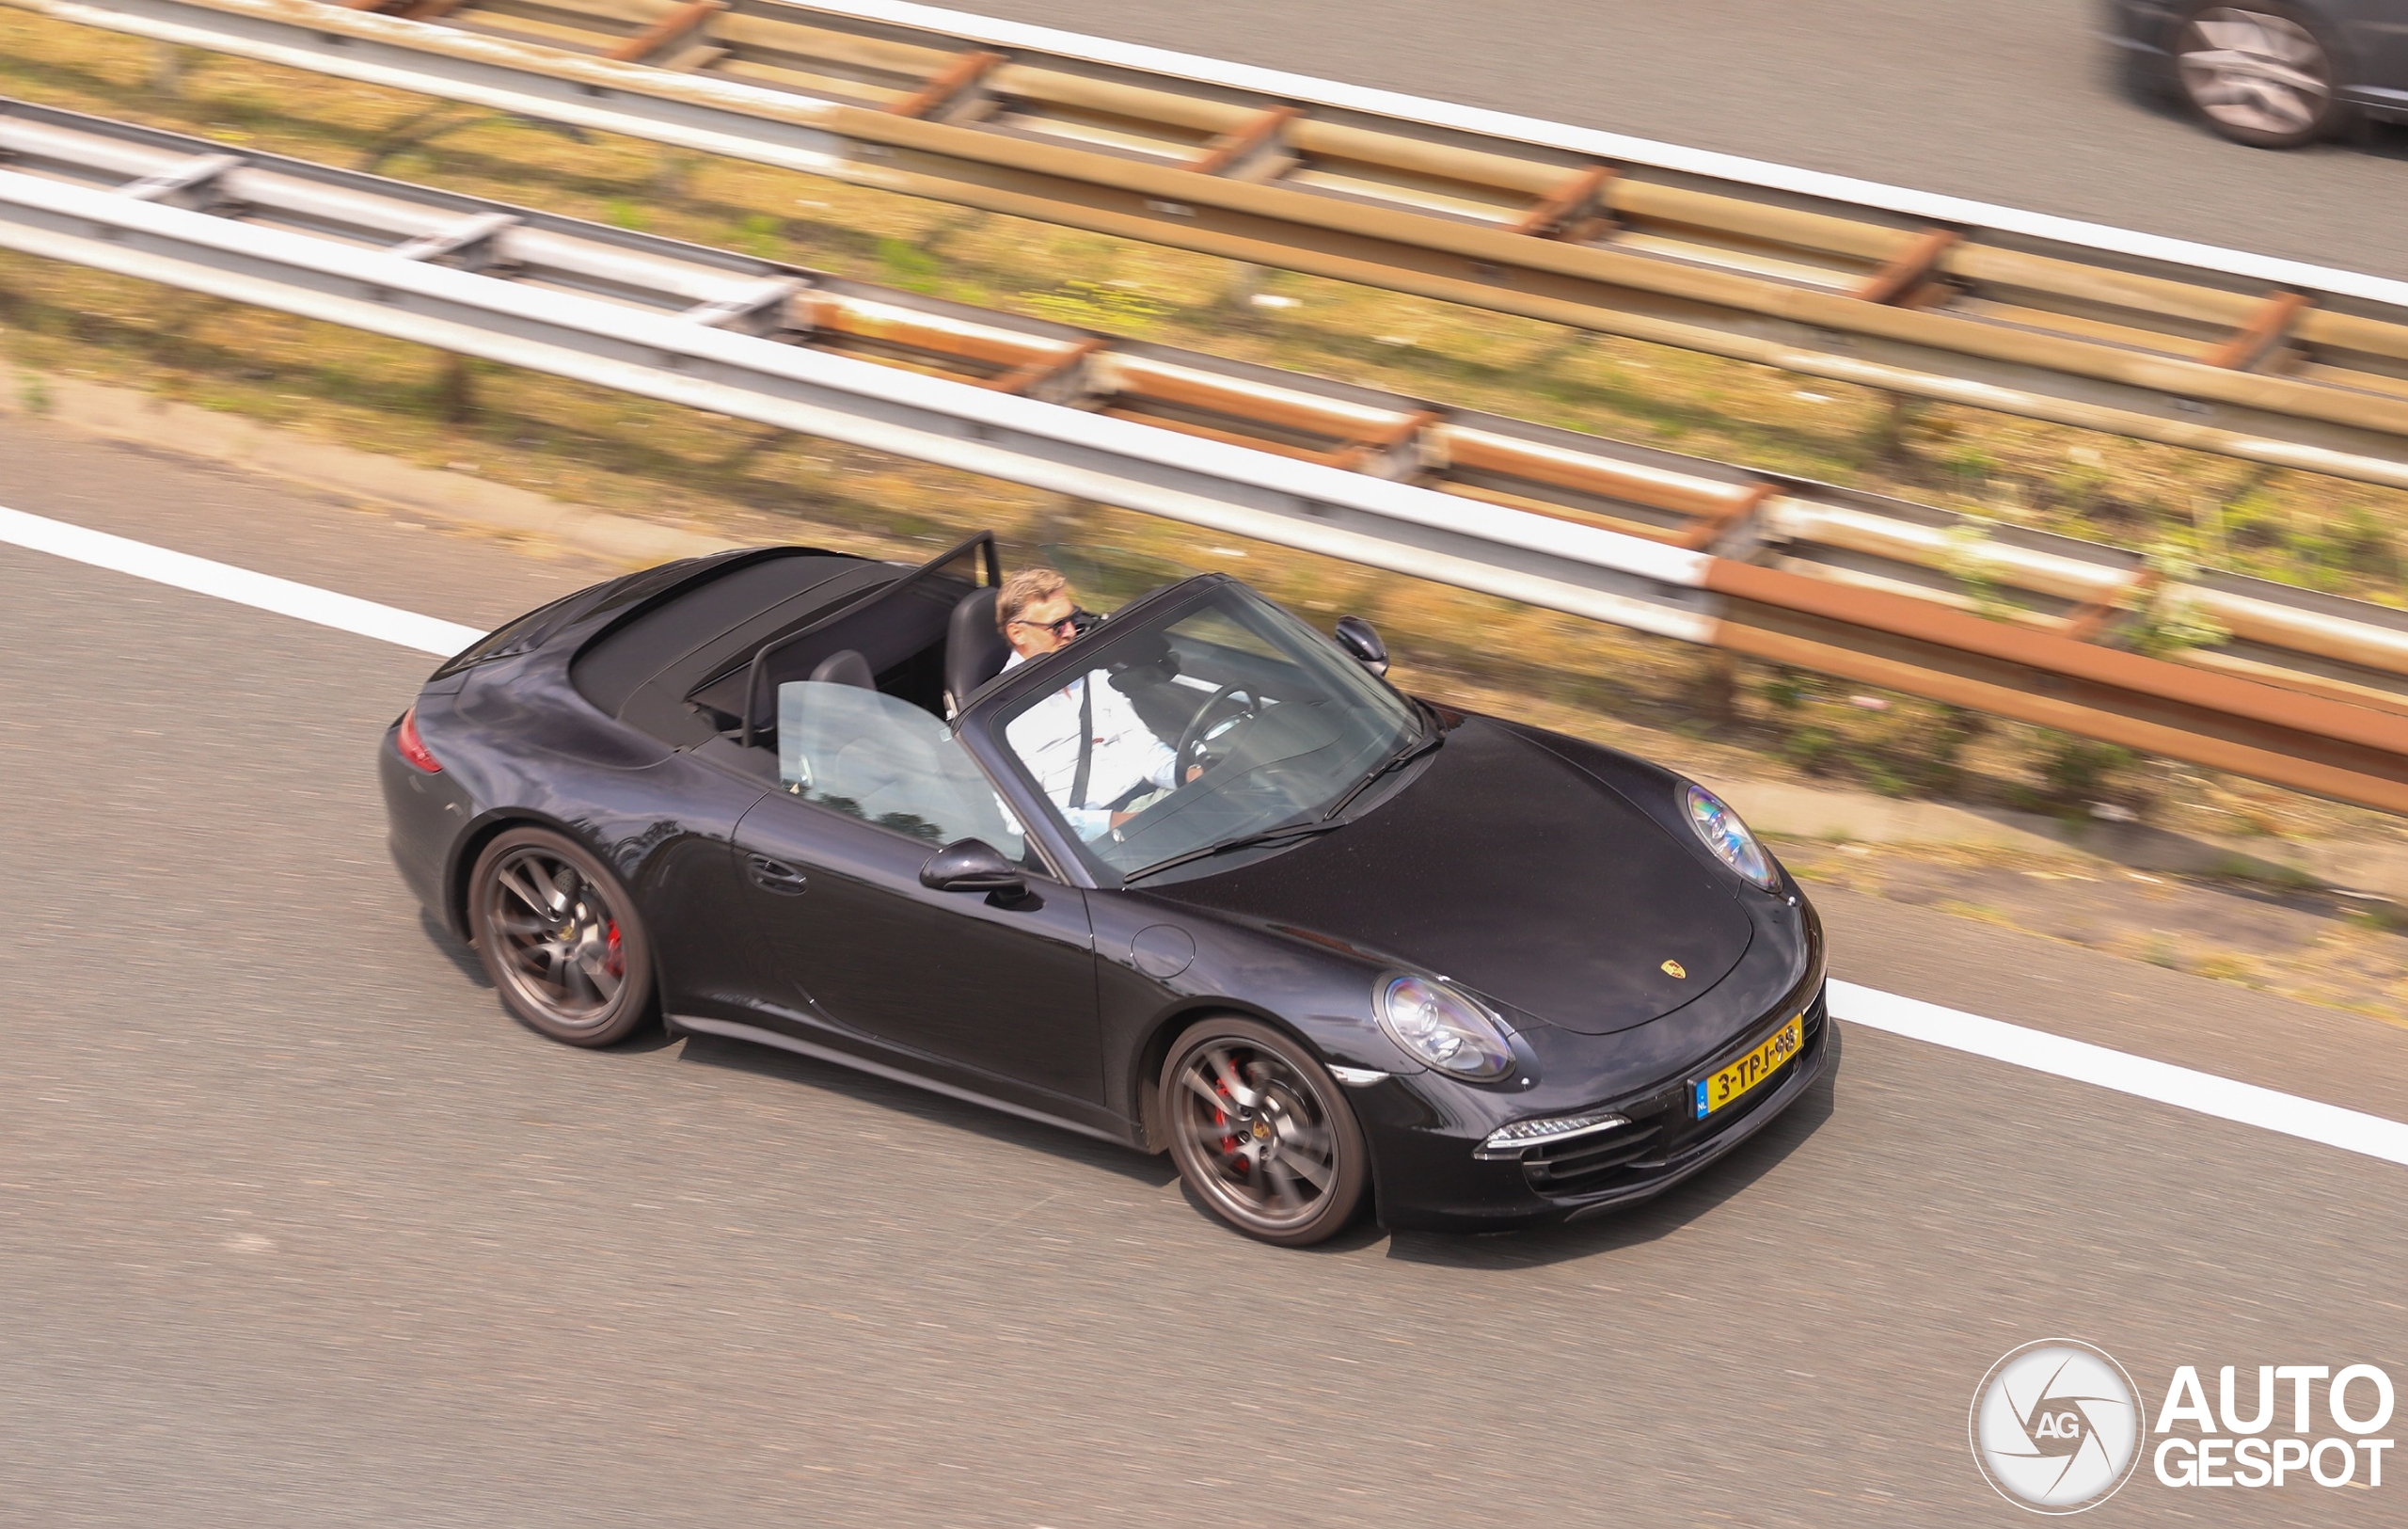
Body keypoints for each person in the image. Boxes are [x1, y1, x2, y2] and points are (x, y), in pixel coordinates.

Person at [995, 566, 1183, 841]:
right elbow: (1022, 820)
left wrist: (1185, 773)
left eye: (1073, 618)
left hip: (1148, 802)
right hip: (1097, 837)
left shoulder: (1090, 673)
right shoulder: (1005, 715)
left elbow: (1140, 744)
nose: (1071, 632)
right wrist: (1117, 823)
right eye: (1057, 626)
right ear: (1018, 633)